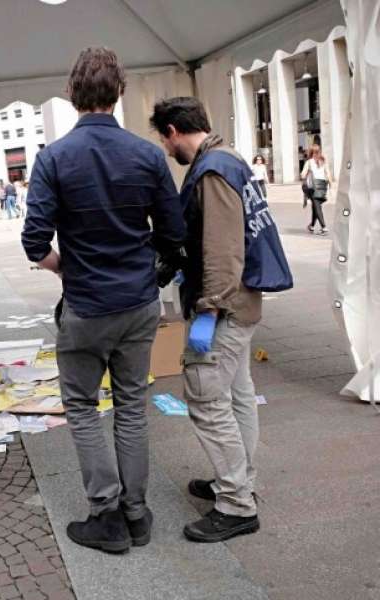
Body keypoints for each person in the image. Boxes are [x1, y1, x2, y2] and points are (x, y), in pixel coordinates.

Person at [22, 47, 186, 554]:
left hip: (87, 305)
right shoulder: (146, 155)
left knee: (83, 405)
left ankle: (106, 514)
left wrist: (63, 267)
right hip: (138, 303)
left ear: (72, 95)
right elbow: (174, 231)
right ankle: (136, 514)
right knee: (132, 406)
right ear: (119, 93)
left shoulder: (53, 158)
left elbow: (34, 242)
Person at [150, 97, 291, 543]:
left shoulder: (211, 171)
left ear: (173, 131)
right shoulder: (230, 158)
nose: (166, 148)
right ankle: (236, 480)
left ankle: (236, 504)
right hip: (243, 302)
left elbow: (222, 250)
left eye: (163, 138)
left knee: (206, 397)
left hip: (224, 307)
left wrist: (207, 312)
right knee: (236, 396)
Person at [300, 145, 332, 235]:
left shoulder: (309, 162)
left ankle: (324, 227)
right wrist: (330, 186)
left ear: (311, 152)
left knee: (316, 206)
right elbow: (328, 175)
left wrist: (306, 174)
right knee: (316, 206)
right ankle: (312, 226)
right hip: (322, 186)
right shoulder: (323, 161)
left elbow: (302, 175)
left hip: (313, 187)